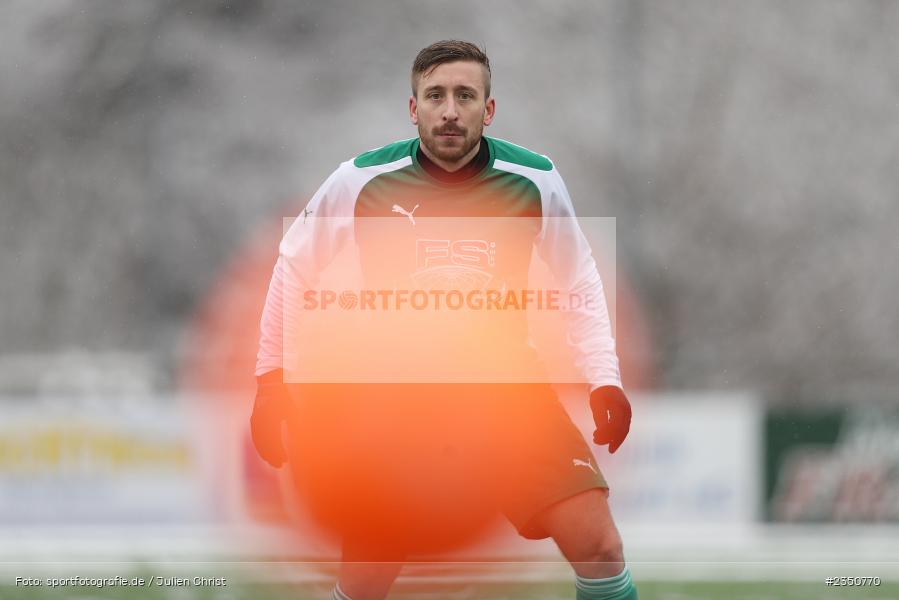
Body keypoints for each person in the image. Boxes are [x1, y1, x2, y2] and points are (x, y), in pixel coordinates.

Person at [251, 40, 638, 600]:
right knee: (365, 581)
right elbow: (291, 268)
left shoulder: (535, 179)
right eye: (435, 96)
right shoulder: (360, 180)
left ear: (489, 107)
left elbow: (578, 279)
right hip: (398, 407)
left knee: (600, 548)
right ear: (414, 108)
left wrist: (605, 378)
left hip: (511, 401)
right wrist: (270, 381)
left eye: (465, 95)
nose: (450, 110)